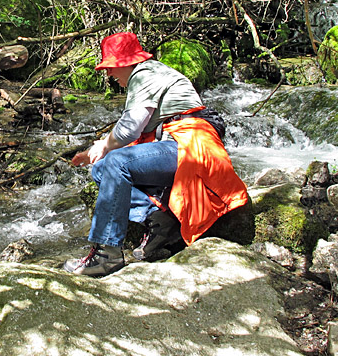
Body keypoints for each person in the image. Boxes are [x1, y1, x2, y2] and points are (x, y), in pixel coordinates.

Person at [64, 32, 248, 276]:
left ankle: (106, 252)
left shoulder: (144, 75)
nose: (108, 74)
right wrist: (97, 152)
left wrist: (103, 146)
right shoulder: (152, 73)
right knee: (102, 168)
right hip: (180, 145)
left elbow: (131, 127)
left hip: (190, 146)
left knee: (115, 162)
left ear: (127, 63)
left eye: (111, 67)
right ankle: (162, 220)